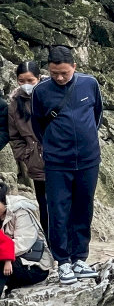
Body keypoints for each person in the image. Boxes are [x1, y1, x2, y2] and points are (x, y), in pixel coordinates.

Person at [30, 46, 101, 285]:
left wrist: (87, 139)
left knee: (84, 207)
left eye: (64, 73)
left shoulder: (89, 84)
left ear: (74, 68)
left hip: (88, 159)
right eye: (54, 73)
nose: (59, 78)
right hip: (57, 161)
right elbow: (37, 124)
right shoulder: (40, 91)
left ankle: (80, 257)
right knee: (58, 211)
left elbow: (97, 114)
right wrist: (53, 145)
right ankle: (63, 261)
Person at [6, 62, 47, 233]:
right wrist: (25, 155)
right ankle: (51, 246)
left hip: (59, 157)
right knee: (44, 205)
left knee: (64, 203)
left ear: (38, 78)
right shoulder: (14, 104)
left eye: (30, 80)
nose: (26, 85)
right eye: (21, 81)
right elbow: (14, 136)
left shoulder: (50, 94)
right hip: (36, 160)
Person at [0, 183, 52, 296]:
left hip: (33, 266)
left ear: (3, 201)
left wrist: (4, 253)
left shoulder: (20, 211)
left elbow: (23, 243)